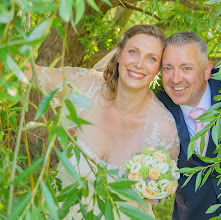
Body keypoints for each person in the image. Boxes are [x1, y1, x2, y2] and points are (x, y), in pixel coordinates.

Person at [24, 25, 180, 219]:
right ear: (118, 52)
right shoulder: (86, 86)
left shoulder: (163, 127)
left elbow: (159, 191)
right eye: (133, 52)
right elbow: (29, 72)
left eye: (151, 58)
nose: (139, 64)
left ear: (158, 68)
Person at [158, 19, 221, 219]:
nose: (176, 78)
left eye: (186, 68)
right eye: (168, 68)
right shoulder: (156, 104)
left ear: (207, 70)